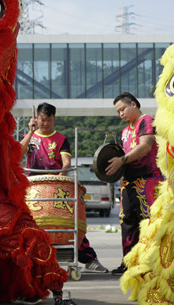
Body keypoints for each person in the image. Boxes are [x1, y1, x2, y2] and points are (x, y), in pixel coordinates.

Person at [21, 102, 109, 274]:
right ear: (37, 118)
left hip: (57, 186)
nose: (45, 123)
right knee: (30, 227)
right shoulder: (29, 137)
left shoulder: (61, 139)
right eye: (42, 119)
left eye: (49, 120)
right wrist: (31, 132)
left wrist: (57, 184)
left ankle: (89, 259)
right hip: (34, 190)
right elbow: (17, 155)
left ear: (54, 119)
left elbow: (66, 163)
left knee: (69, 225)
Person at [106, 92, 164, 276]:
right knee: (127, 222)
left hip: (149, 179)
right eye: (118, 112)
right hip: (129, 181)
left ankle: (151, 262)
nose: (121, 114)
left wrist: (121, 159)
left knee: (148, 222)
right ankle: (129, 262)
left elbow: (146, 146)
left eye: (122, 109)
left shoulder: (147, 120)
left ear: (133, 104)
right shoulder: (125, 131)